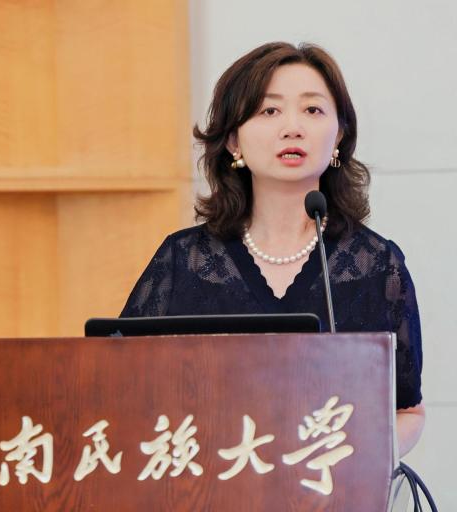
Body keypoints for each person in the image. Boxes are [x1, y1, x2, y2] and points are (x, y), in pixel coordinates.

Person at [121, 42, 424, 455]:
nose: (292, 127)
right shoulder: (183, 261)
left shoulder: (375, 265)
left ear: (338, 135)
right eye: (269, 111)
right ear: (233, 140)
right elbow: (120, 389)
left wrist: (359, 460)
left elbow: (407, 411)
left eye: (313, 109)